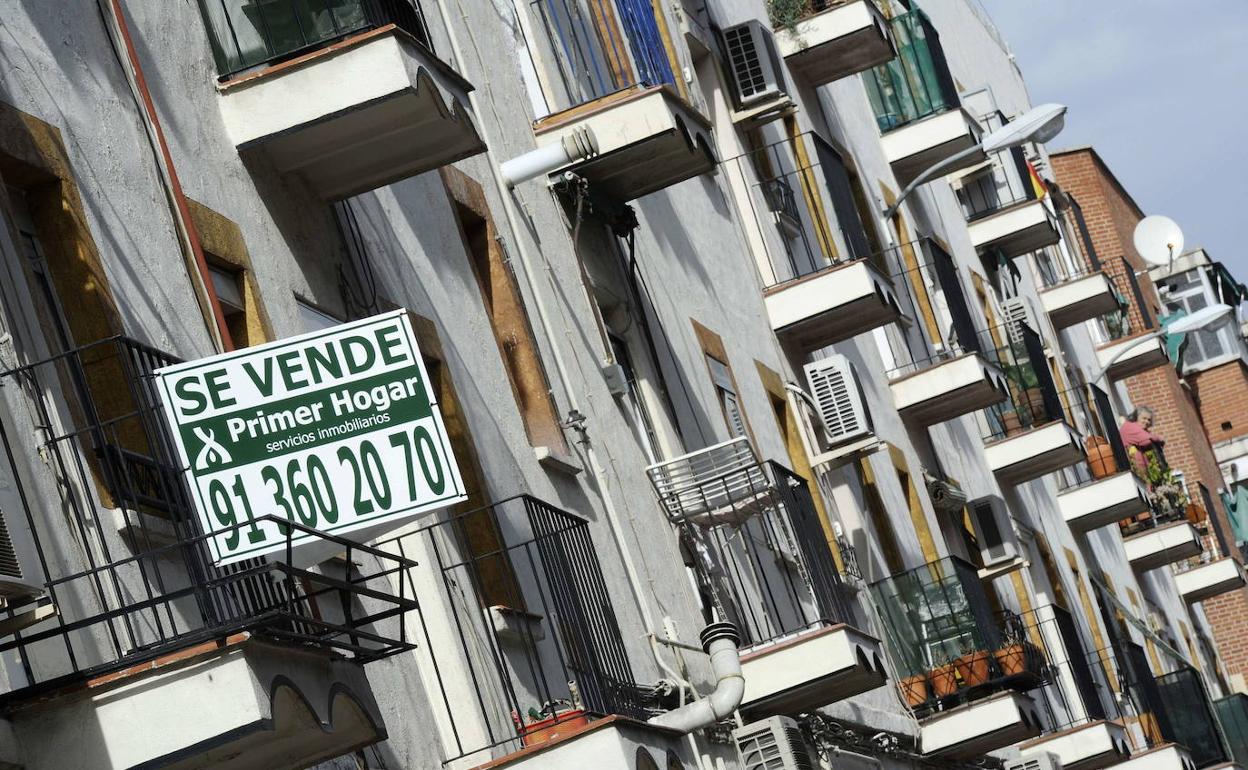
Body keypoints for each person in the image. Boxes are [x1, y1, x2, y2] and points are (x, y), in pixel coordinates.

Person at [1119, 407, 1165, 475]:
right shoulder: (1129, 426)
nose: (1146, 422)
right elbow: (1146, 440)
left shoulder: (1143, 430)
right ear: (1136, 417)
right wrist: (1158, 438)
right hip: (1135, 470)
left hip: (1146, 471)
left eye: (1149, 420)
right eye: (1144, 418)